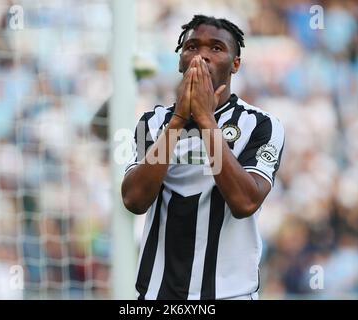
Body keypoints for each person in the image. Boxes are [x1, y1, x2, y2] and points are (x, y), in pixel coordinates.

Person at [121, 15, 285, 300]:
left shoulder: (260, 124)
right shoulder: (153, 122)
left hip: (229, 295)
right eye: (192, 47)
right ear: (181, 61)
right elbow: (134, 200)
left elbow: (245, 202)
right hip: (159, 296)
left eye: (216, 48)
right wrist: (179, 120)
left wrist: (206, 120)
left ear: (235, 64)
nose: (201, 57)